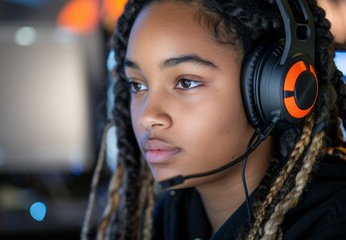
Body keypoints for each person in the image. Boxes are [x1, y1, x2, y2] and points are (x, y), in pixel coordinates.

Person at [82, 0, 346, 239]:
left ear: (273, 91)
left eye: (186, 82)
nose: (147, 117)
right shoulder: (171, 215)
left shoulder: (333, 224)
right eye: (137, 85)